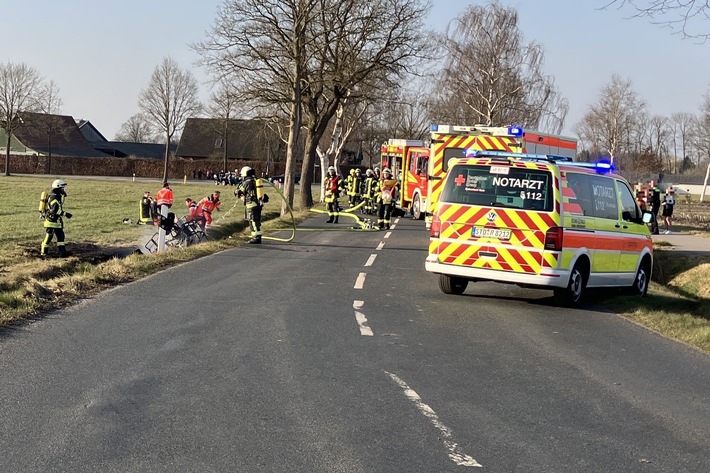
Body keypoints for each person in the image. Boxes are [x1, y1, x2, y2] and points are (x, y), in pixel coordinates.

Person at [40, 179, 72, 258]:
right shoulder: (55, 197)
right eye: (62, 188)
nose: (63, 189)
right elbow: (55, 210)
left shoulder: (56, 196)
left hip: (56, 222)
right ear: (58, 188)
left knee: (61, 236)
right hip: (52, 221)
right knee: (49, 237)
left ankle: (63, 252)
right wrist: (66, 214)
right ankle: (44, 252)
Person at [236, 166, 267, 244]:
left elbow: (239, 191)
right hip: (258, 203)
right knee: (256, 220)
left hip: (251, 204)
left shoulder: (247, 182)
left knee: (253, 221)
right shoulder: (255, 180)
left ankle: (256, 237)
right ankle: (257, 236)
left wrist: (237, 192)